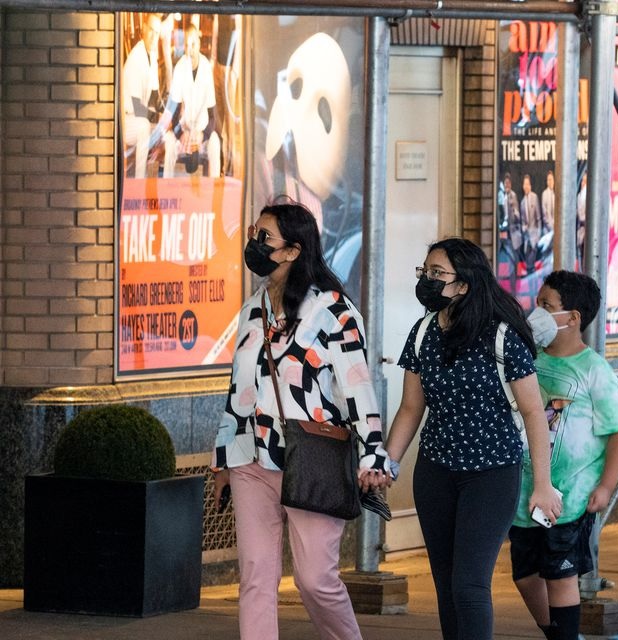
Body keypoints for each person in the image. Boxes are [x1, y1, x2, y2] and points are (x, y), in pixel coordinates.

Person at [210, 200, 389, 640]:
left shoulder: (334, 312)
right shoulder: (254, 309)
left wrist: (373, 456)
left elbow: (358, 388)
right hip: (252, 457)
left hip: (313, 458)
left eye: (263, 237)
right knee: (255, 577)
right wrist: (222, 458)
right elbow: (239, 389)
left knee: (315, 581)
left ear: (292, 250)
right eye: (254, 232)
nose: (253, 243)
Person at [383, 237, 563, 640]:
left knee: (469, 585)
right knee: (446, 584)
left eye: (437, 274)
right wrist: (387, 463)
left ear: (463, 284)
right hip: (436, 471)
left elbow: (535, 412)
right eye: (424, 272)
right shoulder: (423, 332)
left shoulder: (500, 338)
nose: (426, 280)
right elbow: (412, 408)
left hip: (491, 472)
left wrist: (543, 484)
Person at [510, 271, 618, 640]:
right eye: (538, 304)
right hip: (524, 494)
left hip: (571, 498)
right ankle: (559, 633)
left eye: (547, 306)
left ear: (573, 317)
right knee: (525, 575)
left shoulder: (594, 370)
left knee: (561, 576)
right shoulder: (528, 359)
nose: (537, 313)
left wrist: (606, 486)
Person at [154, 24, 221, 177]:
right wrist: (180, 134)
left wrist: (203, 135)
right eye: (186, 45)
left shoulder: (206, 68)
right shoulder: (180, 67)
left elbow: (212, 115)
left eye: (193, 44)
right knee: (170, 142)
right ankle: (167, 190)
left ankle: (214, 192)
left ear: (199, 42)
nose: (190, 50)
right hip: (184, 133)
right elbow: (175, 109)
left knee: (215, 143)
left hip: (201, 134)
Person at [122, 13, 162, 178]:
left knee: (166, 134)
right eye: (151, 30)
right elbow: (138, 108)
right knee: (145, 127)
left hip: (139, 117)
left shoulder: (151, 55)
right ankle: (140, 180)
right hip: (127, 121)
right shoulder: (136, 58)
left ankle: (160, 182)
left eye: (157, 33)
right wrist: (158, 118)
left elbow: (155, 97)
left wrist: (167, 121)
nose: (154, 36)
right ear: (144, 29)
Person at [521, 173, 543, 269]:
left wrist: (538, 234)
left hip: (534, 236)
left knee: (532, 262)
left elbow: (538, 218)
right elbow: (522, 220)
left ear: (530, 186)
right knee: (527, 261)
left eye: (527, 184)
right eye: (524, 184)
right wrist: (523, 227)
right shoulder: (522, 202)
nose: (525, 186)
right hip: (526, 238)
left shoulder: (534, 197)